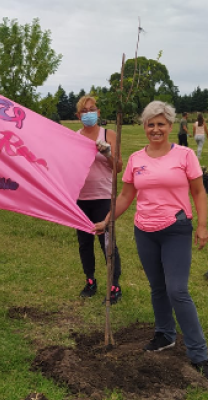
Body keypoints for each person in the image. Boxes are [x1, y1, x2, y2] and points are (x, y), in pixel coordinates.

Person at [92, 100, 208, 380]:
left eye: (161, 124)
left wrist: (203, 226)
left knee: (177, 290)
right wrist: (107, 221)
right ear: (144, 127)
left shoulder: (184, 155)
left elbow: (198, 192)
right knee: (157, 287)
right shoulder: (136, 159)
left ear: (171, 126)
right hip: (144, 231)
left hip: (176, 228)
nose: (156, 129)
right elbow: (125, 196)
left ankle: (199, 353)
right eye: (151, 124)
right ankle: (165, 334)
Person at [73, 95, 124, 304]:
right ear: (78, 116)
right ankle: (90, 281)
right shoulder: (75, 137)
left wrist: (108, 153)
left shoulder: (108, 134)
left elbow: (118, 167)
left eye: (92, 109)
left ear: (99, 112)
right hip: (81, 197)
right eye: (84, 111)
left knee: (107, 242)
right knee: (84, 243)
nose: (88, 114)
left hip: (103, 195)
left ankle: (114, 286)